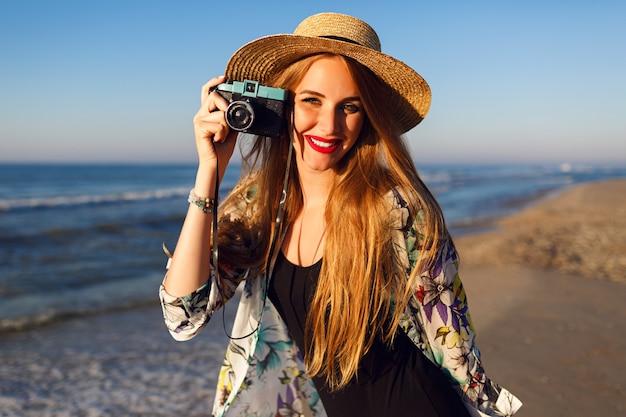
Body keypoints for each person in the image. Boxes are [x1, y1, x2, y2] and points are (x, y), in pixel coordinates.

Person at [159, 12, 522, 417]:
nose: (329, 126)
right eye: (311, 100)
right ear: (283, 106)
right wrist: (210, 171)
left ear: (367, 116)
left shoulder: (397, 209)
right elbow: (183, 315)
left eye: (349, 107)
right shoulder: (260, 208)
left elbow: (456, 347)